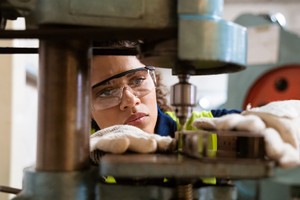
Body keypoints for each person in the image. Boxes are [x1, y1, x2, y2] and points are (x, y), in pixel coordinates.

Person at [90, 40, 300, 169]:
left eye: (137, 80)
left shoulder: (206, 128)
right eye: (106, 91)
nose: (130, 100)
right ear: (83, 106)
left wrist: (282, 115)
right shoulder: (74, 153)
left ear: (154, 80)